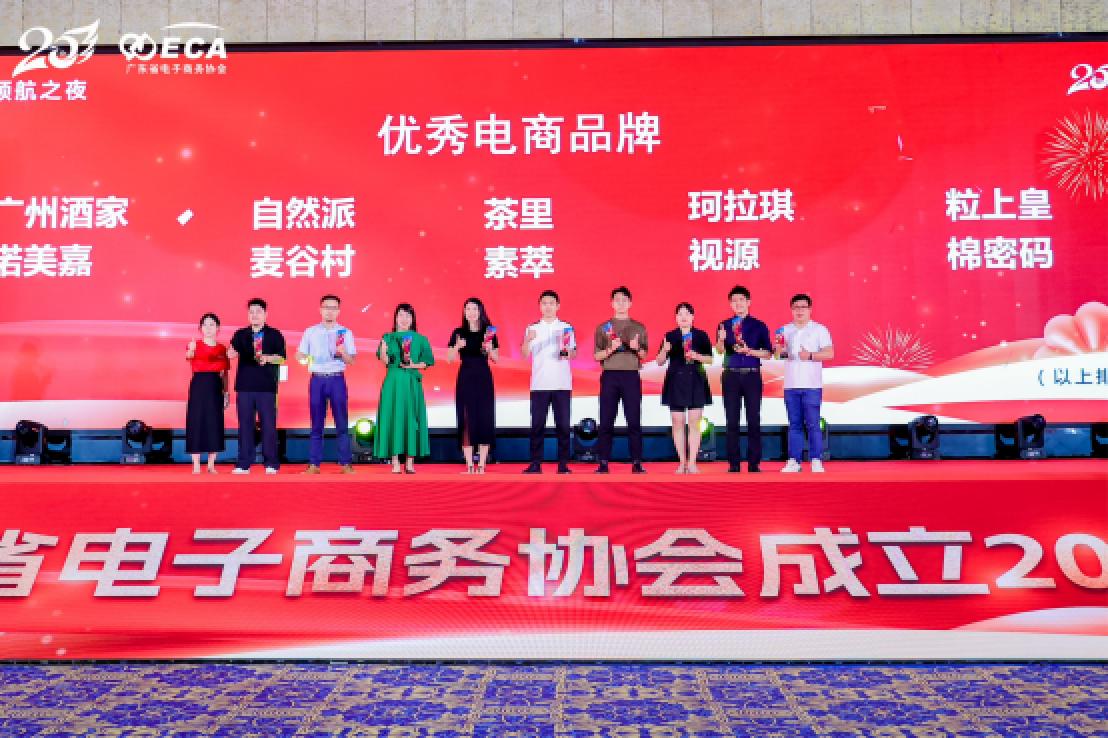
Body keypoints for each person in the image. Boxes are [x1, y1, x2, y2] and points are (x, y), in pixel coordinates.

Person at [714, 285, 773, 473]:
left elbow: (768, 353)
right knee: (732, 420)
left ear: (749, 302)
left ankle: (754, 463)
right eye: (734, 301)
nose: (738, 303)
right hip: (730, 375)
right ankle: (733, 463)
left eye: (741, 300)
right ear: (730, 304)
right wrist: (721, 339)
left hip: (752, 375)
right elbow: (719, 351)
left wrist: (750, 351)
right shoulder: (724, 325)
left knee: (753, 419)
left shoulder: (759, 325)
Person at [297, 294, 357, 475]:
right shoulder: (310, 332)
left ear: (338, 311)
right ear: (320, 310)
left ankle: (346, 463)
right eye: (326, 307)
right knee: (316, 423)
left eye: (333, 308)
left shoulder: (345, 332)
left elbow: (351, 360)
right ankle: (314, 464)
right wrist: (303, 357)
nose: (329, 311)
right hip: (317, 379)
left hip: (337, 379)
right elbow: (300, 354)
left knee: (341, 423)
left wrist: (343, 352)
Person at [593, 286, 649, 474]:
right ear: (612, 303)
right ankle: (603, 462)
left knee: (634, 420)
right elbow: (596, 355)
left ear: (630, 303)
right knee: (606, 420)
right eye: (617, 300)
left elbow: (644, 354)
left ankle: (637, 462)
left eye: (624, 300)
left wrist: (635, 347)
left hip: (631, 376)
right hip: (610, 376)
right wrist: (611, 349)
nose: (621, 303)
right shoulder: (603, 328)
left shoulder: (639, 327)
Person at [227, 298, 286, 475]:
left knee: (268, 426)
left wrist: (267, 358)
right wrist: (230, 353)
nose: (254, 315)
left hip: (267, 387)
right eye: (251, 312)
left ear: (265, 314)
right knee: (245, 426)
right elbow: (231, 352)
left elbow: (282, 358)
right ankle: (244, 463)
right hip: (244, 386)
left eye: (258, 311)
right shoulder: (241, 334)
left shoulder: (274, 334)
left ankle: (271, 463)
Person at [776, 293, 834, 473]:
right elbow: (778, 356)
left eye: (803, 307)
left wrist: (809, 355)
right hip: (791, 385)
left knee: (813, 424)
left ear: (810, 309)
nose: (799, 311)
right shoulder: (784, 330)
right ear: (791, 310)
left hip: (812, 385)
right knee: (794, 424)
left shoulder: (819, 330)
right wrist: (779, 351)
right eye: (796, 307)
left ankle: (816, 459)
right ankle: (794, 460)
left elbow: (829, 353)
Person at [375, 303, 434, 473]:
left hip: (411, 383)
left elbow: (427, 362)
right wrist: (384, 351)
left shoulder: (421, 339)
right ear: (395, 318)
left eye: (408, 316)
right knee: (393, 418)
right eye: (401, 315)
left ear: (413, 319)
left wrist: (413, 364)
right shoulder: (388, 337)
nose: (404, 319)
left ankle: (410, 462)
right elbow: (386, 361)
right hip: (393, 383)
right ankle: (394, 461)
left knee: (411, 419)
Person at [522, 290, 575, 474]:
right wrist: (527, 340)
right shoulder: (532, 328)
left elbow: (573, 352)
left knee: (563, 427)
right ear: (540, 306)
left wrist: (568, 352)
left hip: (562, 384)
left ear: (558, 306)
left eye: (551, 303)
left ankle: (563, 464)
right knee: (537, 426)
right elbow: (524, 354)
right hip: (539, 384)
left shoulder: (566, 327)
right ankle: (535, 463)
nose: (548, 307)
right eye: (544, 303)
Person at [656, 303, 713, 474]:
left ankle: (693, 462)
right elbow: (659, 361)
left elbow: (710, 359)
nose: (683, 317)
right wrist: (664, 350)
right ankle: (682, 462)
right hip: (676, 381)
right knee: (677, 422)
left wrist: (697, 356)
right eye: (680, 314)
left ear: (693, 317)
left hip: (696, 380)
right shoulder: (670, 336)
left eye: (687, 314)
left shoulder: (701, 335)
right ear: (676, 318)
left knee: (695, 423)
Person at [447, 297, 498, 474]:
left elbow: (496, 358)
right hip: (465, 377)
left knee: (485, 417)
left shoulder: (489, 331)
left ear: (480, 311)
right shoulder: (458, 332)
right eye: (467, 309)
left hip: (483, 377)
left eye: (474, 309)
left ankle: (482, 464)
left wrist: (489, 348)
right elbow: (449, 358)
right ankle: (469, 464)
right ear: (464, 312)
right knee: (466, 418)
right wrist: (457, 346)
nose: (471, 312)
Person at [184, 312, 230, 474]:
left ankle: (211, 464)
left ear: (218, 328)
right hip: (198, 385)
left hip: (215, 385)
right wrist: (191, 350)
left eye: (212, 324)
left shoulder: (222, 348)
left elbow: (225, 373)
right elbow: (188, 356)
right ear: (200, 328)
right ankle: (196, 464)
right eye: (205, 325)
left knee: (214, 422)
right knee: (196, 422)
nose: (208, 328)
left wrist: (226, 393)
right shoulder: (194, 345)